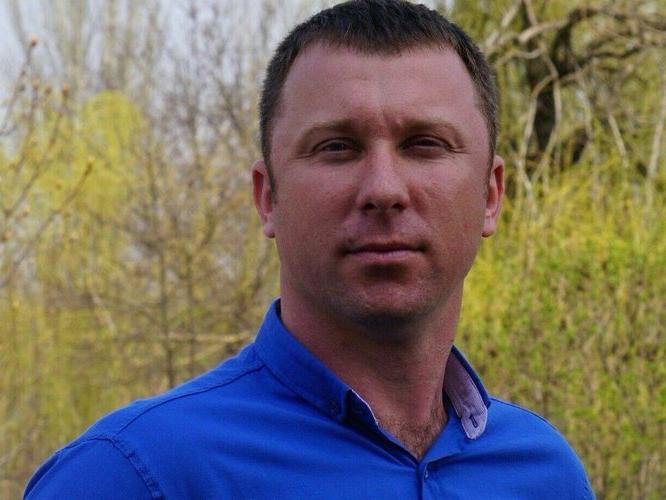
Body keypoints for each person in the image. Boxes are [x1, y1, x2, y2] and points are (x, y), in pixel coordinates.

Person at [25, 1, 594, 498]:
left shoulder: (545, 476)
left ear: (491, 195)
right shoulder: (131, 477)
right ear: (267, 197)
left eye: (425, 144)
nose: (384, 190)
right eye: (337, 147)